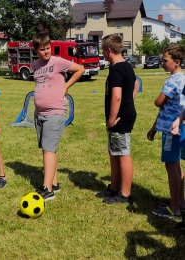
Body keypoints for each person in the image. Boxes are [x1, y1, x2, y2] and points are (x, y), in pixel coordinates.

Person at [32, 32, 84, 201]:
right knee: (48, 150)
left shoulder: (58, 62)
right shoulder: (35, 66)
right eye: (42, 49)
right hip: (39, 113)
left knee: (48, 149)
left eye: (48, 48)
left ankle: (47, 190)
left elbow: (79, 69)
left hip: (55, 112)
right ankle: (54, 183)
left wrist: (66, 86)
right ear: (36, 50)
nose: (46, 52)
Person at [95, 34, 138, 204]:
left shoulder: (116, 70)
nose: (102, 53)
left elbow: (117, 97)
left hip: (120, 119)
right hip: (123, 115)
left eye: (103, 50)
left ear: (108, 50)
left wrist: (112, 119)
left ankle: (125, 193)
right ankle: (114, 187)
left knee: (123, 154)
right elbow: (135, 85)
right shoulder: (127, 66)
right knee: (114, 152)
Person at [147, 43, 185, 219]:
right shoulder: (183, 78)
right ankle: (180, 202)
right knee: (176, 165)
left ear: (176, 62)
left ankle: (174, 209)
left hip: (171, 131)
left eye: (165, 60)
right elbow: (167, 108)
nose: (162, 63)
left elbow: (159, 102)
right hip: (175, 126)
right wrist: (154, 127)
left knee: (171, 166)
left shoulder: (173, 80)